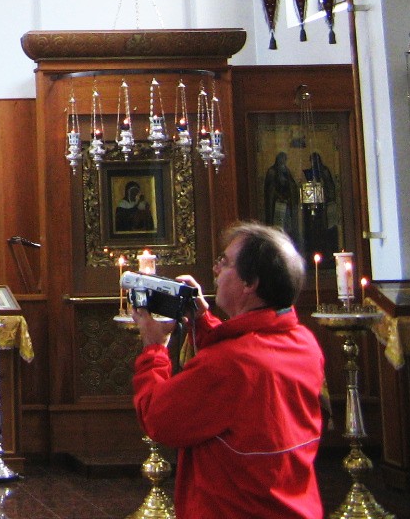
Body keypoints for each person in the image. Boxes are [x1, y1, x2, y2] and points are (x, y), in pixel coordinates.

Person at [131, 222, 323, 519]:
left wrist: (154, 347)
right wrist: (203, 320)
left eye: (226, 262)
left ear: (250, 283)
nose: (216, 271)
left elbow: (158, 417)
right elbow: (248, 355)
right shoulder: (303, 342)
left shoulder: (230, 363)